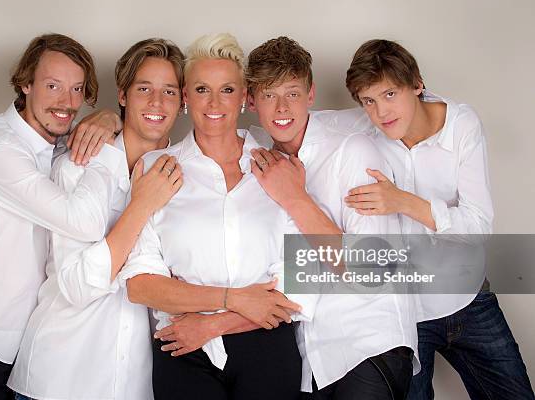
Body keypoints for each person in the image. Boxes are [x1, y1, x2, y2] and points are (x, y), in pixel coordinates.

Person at [155, 36, 419, 400]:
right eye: (268, 96)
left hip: (365, 345)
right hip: (310, 359)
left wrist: (295, 197)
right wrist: (109, 120)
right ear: (251, 101)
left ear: (310, 96)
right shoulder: (260, 154)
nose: (282, 108)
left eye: (293, 94)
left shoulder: (351, 150)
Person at [344, 39, 534, 400]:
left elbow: (478, 226)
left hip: (468, 297)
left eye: (389, 94)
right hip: (405, 314)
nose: (381, 112)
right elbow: (300, 122)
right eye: (368, 101)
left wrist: (404, 202)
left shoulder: (461, 124)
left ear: (417, 84)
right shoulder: (359, 134)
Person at [122, 33, 308, 400]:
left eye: (227, 90)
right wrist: (236, 298)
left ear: (244, 98)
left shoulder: (277, 167)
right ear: (186, 98)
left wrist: (217, 322)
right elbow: (140, 285)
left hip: (267, 345)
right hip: (181, 346)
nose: (214, 102)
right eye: (202, 89)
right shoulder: (156, 169)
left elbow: (297, 281)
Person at [0, 33, 118, 399]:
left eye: (77, 89)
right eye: (52, 85)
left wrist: (109, 118)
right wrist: (105, 155)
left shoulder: (55, 143)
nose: (67, 102)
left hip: (20, 354)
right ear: (25, 84)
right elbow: (84, 222)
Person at [7, 38, 186, 400]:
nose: (156, 102)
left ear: (183, 102)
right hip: (58, 378)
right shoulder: (79, 165)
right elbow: (76, 286)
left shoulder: (187, 175)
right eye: (144, 89)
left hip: (132, 384)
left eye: (168, 91)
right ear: (122, 95)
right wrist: (141, 205)